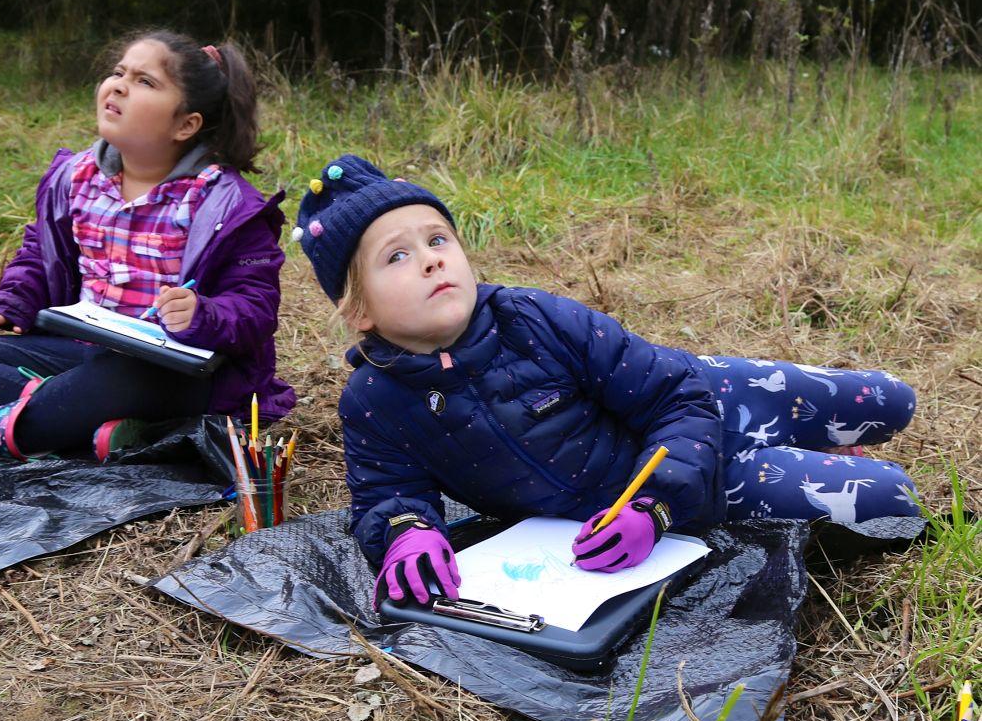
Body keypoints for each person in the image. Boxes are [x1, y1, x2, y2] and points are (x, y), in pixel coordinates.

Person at [294, 154, 920, 609]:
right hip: (705, 489)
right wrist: (407, 536)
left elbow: (676, 396)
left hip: (709, 399)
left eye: (438, 238)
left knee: (891, 400)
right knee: (892, 497)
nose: (431, 257)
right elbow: (387, 494)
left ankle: (813, 434)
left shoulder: (535, 318)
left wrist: (654, 498)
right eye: (396, 256)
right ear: (360, 311)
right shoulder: (374, 403)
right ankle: (803, 460)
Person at [0, 30, 294, 462]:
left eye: (145, 81)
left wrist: (201, 314)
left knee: (124, 377)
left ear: (186, 124)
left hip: (170, 371)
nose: (118, 85)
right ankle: (106, 429)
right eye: (118, 72)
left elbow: (255, 307)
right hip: (80, 353)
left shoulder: (224, 204)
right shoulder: (74, 179)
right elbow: (40, 252)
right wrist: (14, 300)